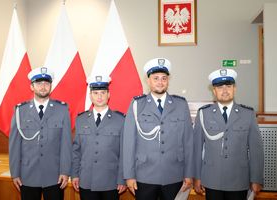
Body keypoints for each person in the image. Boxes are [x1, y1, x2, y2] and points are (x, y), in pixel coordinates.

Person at [123, 58, 194, 200]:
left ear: (168, 80)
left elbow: (188, 142)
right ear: (148, 81)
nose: (160, 82)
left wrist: (189, 173)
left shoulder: (180, 105)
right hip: (144, 175)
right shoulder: (137, 104)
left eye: (164, 78)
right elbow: (129, 143)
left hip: (174, 174)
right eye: (155, 78)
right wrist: (129, 175)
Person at [193, 68, 264, 200]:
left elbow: (256, 149)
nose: (225, 90)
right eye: (220, 87)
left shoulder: (247, 114)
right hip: (211, 178)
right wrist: (196, 177)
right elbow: (197, 148)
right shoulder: (204, 113)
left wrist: (256, 178)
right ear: (214, 91)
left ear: (234, 89)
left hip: (239, 179)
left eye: (228, 86)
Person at [9, 67, 72, 200]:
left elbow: (66, 144)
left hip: (54, 175)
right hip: (27, 174)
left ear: (51, 86)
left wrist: (65, 171)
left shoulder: (62, 109)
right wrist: (15, 173)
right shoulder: (20, 110)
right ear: (32, 86)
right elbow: (14, 146)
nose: (43, 87)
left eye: (46, 83)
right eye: (39, 83)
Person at [71, 75, 127, 200]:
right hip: (86, 180)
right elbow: (76, 151)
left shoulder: (121, 120)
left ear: (109, 95)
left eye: (103, 92)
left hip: (111, 181)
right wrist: (74, 174)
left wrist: (122, 179)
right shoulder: (81, 119)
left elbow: (125, 153)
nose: (99, 96)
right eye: (95, 93)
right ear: (90, 96)